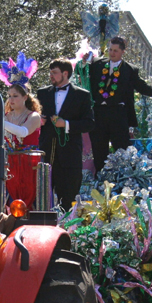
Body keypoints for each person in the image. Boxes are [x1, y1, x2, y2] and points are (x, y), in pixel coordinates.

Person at [86, 36, 152, 173]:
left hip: (118, 114)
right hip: (99, 112)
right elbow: (82, 75)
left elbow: (141, 86)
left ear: (123, 51)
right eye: (110, 49)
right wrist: (84, 62)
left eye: (116, 51)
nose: (112, 53)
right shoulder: (97, 64)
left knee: (121, 149)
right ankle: (100, 178)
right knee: (99, 148)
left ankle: (121, 179)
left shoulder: (130, 69)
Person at [0, 54, 43, 208]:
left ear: (25, 97)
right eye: (9, 96)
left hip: (29, 166)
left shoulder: (33, 116)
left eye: (15, 96)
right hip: (10, 166)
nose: (11, 100)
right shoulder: (6, 116)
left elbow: (22, 132)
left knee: (28, 205)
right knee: (7, 205)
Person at [37, 59, 95, 210]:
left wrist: (66, 124)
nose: (51, 76)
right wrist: (38, 120)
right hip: (46, 154)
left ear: (65, 73)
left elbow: (89, 123)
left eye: (54, 73)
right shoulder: (42, 93)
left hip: (69, 156)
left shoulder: (82, 95)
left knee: (68, 200)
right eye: (50, 72)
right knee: (42, 200)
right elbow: (33, 116)